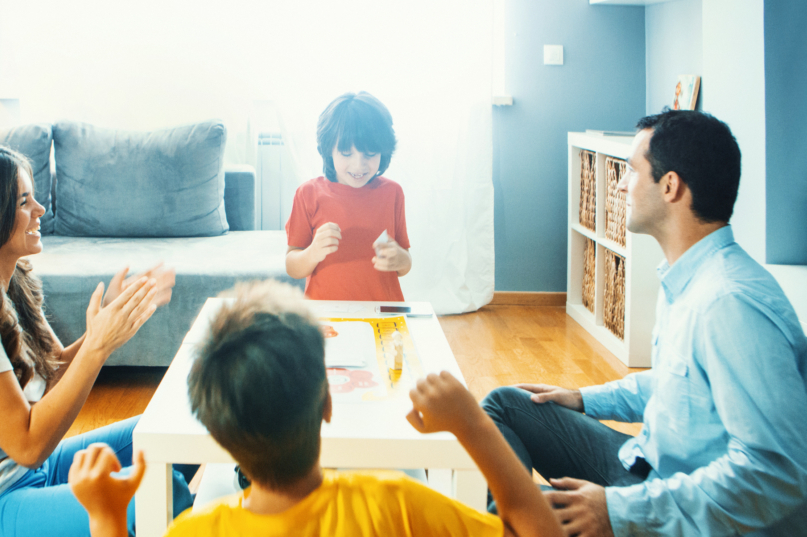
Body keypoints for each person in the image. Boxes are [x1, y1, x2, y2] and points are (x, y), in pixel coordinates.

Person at [481, 110, 807, 536]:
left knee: (526, 509)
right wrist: (583, 397)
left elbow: (776, 471)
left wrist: (618, 511)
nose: (620, 183)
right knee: (507, 404)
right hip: (649, 468)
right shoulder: (689, 278)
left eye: (632, 171)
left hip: (685, 511)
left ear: (670, 186)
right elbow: (676, 384)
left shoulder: (728, 305)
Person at [70, 280, 558, 536]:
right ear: (328, 403)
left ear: (217, 434)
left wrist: (107, 517)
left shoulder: (199, 529)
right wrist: (473, 424)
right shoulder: (394, 505)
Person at [0, 145, 192, 537]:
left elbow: (52, 373)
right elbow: (28, 443)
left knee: (177, 431)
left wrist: (106, 323)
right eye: (24, 202)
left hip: (23, 476)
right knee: (165, 494)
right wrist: (98, 346)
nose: (40, 210)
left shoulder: (8, 285)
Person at [285, 91, 412, 301]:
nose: (358, 165)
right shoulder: (307, 194)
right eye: (346, 153)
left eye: (370, 154)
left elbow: (405, 264)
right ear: (328, 151)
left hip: (383, 313)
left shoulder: (393, 193)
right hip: (327, 314)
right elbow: (292, 266)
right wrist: (313, 252)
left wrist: (400, 260)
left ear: (384, 151)